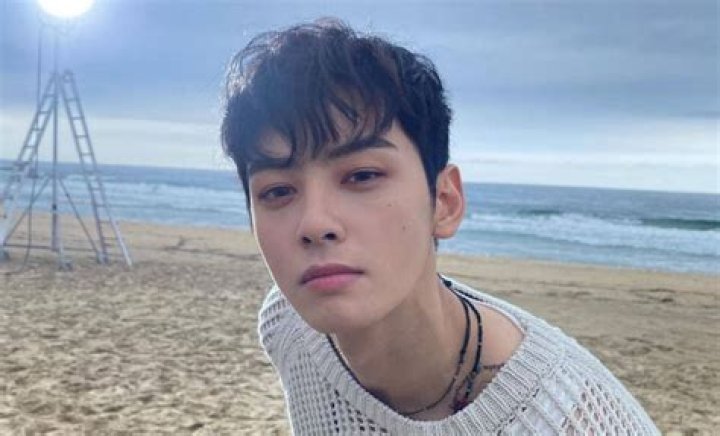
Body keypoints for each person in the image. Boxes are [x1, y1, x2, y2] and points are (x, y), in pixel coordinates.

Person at [220, 19, 658, 435]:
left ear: (445, 202)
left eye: (362, 175)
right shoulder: (289, 328)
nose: (315, 223)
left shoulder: (573, 421)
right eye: (277, 191)